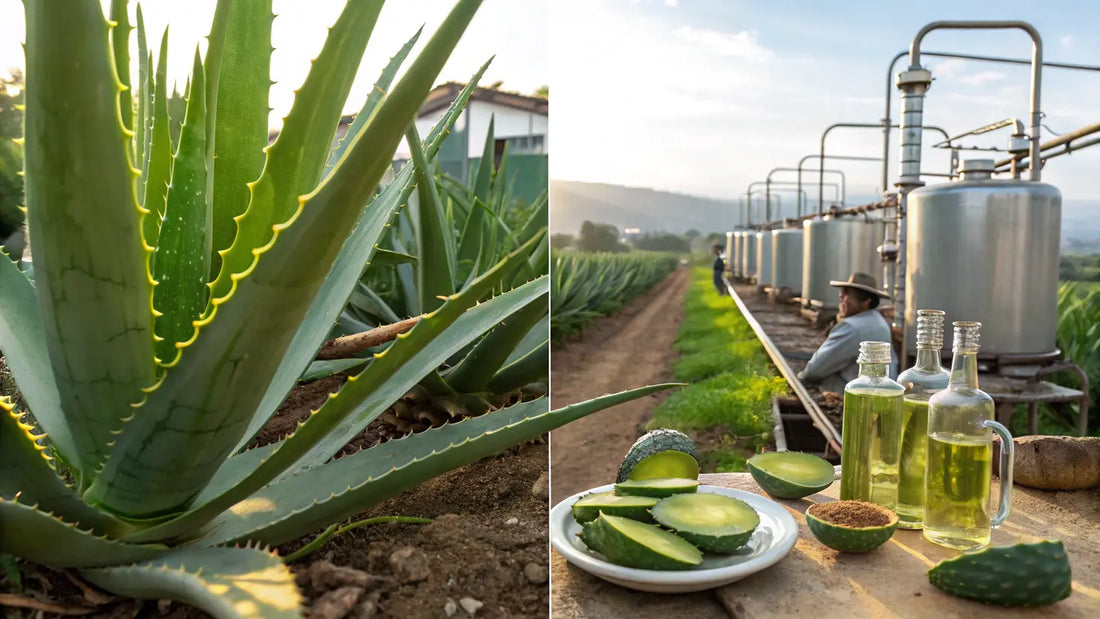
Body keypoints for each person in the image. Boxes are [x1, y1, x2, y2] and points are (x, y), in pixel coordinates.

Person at [797, 272, 897, 393]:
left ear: (866, 301)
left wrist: (800, 381)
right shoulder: (879, 321)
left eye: (847, 294)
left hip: (857, 394)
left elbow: (814, 370)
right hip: (881, 393)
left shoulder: (852, 327)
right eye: (841, 294)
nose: (841, 299)